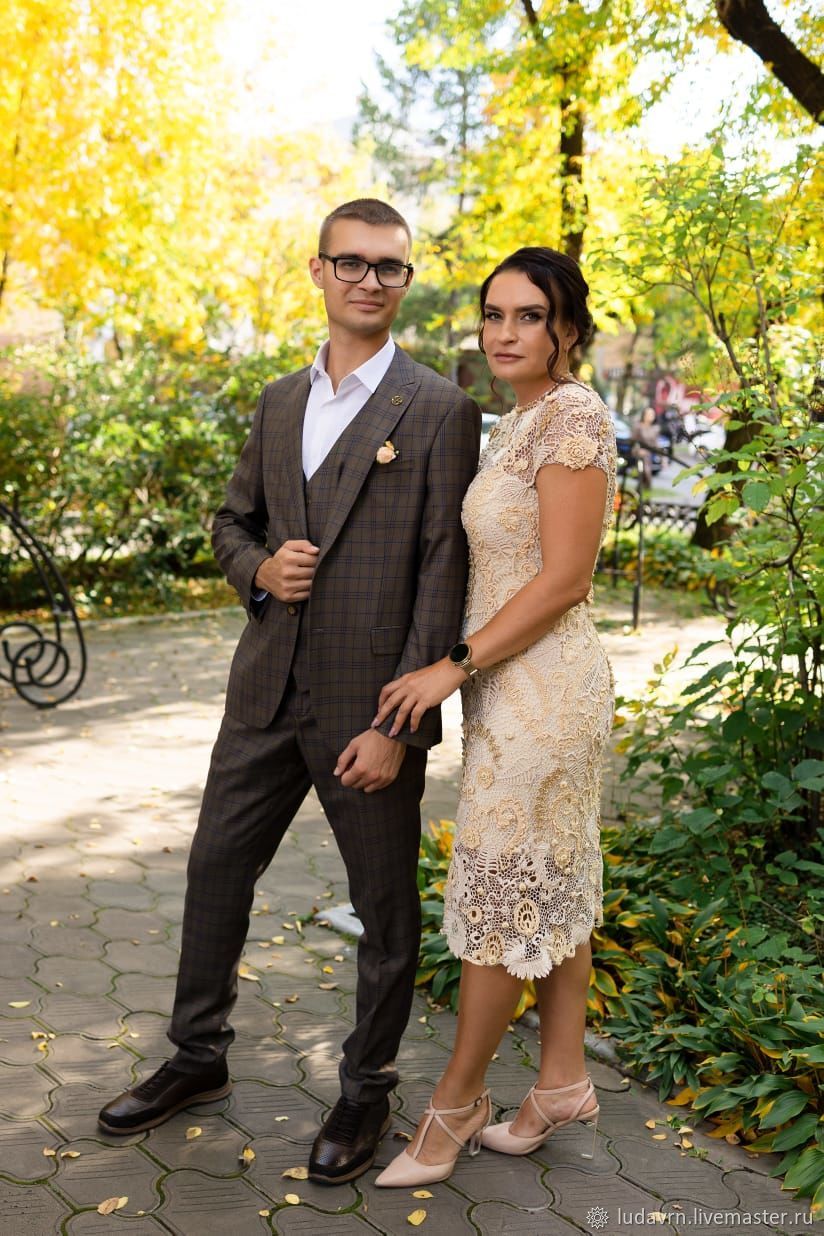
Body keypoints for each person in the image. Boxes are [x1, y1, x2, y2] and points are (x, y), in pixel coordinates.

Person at [97, 198, 481, 1187]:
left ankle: (367, 1087)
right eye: (350, 262)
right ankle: (197, 1056)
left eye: (388, 267)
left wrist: (399, 724)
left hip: (369, 710)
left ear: (405, 281)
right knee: (215, 871)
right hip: (264, 691)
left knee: (382, 911)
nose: (368, 280)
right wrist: (260, 571)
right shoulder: (278, 401)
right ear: (317, 271)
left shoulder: (439, 409)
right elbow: (231, 523)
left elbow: (443, 569)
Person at [370, 246, 616, 1187]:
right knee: (546, 876)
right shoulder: (518, 419)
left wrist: (452, 666)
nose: (505, 333)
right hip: (508, 689)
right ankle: (561, 1081)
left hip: (544, 690)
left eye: (529, 316)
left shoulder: (573, 416)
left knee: (499, 892)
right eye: (493, 314)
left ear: (567, 329)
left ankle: (457, 1103)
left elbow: (567, 578)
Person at [631, 405, 660, 486]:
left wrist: (662, 457)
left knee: (647, 466)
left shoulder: (655, 428)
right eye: (649, 414)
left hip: (648, 453)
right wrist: (638, 450)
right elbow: (633, 440)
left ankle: (645, 484)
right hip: (638, 451)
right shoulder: (638, 426)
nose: (651, 416)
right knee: (643, 466)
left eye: (653, 414)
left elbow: (656, 443)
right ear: (644, 415)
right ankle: (642, 482)